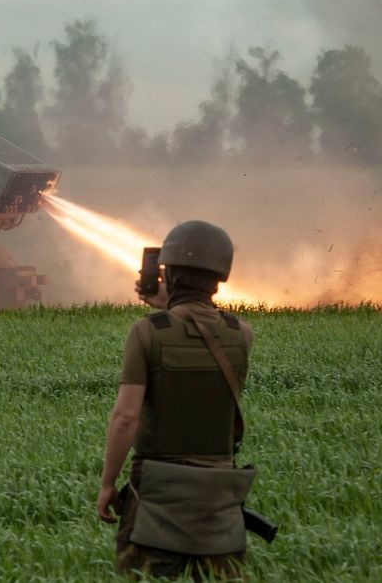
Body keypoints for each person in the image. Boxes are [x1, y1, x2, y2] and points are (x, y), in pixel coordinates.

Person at [96, 220, 256, 581]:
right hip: (218, 493)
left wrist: (108, 483)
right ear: (219, 276)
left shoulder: (146, 332)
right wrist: (170, 305)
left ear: (170, 274)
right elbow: (198, 327)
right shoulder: (241, 334)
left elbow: (125, 416)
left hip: (157, 492)